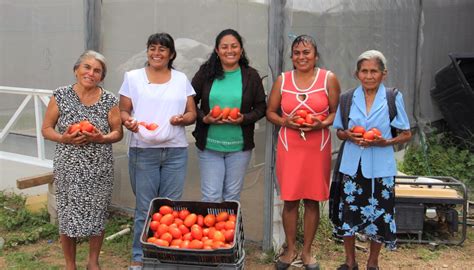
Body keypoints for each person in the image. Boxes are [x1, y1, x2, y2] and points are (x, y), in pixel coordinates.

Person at [119, 33, 196, 269]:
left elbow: (193, 112)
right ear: (147, 51)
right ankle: (139, 256)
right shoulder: (133, 78)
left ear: (171, 54)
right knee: (146, 207)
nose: (156, 53)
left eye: (162, 49)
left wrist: (182, 119)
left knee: (170, 206)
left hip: (175, 151)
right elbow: (123, 111)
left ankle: (166, 255)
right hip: (143, 151)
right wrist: (128, 121)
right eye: (152, 48)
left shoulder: (181, 79)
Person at [41, 50, 123, 270]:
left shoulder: (109, 99)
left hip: (99, 168)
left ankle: (93, 262)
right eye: (87, 67)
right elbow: (46, 129)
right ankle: (70, 265)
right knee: (67, 215)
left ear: (102, 77)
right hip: (68, 167)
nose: (91, 73)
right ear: (76, 70)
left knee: (97, 213)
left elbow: (118, 132)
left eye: (97, 70)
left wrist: (101, 137)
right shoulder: (60, 95)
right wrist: (64, 138)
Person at [332, 50, 412, 270]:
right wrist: (348, 135)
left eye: (373, 71)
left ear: (383, 74)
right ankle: (350, 261)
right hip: (352, 165)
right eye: (364, 71)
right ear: (356, 74)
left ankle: (373, 262)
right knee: (349, 212)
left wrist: (385, 142)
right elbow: (339, 130)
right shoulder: (347, 98)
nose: (369, 76)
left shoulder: (392, 97)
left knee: (380, 213)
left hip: (381, 167)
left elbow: (406, 133)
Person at [266, 35, 341, 270]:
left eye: (306, 52)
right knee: (289, 199)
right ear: (291, 57)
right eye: (297, 53)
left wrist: (320, 124)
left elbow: (335, 113)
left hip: (316, 146)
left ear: (315, 55)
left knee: (311, 200)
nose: (302, 57)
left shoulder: (328, 78)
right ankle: (290, 249)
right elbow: (271, 112)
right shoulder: (283, 80)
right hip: (290, 146)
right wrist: (285, 122)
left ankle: (307, 252)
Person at [192, 29, 266, 202]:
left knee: (232, 198)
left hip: (239, 149)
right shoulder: (206, 73)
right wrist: (204, 118)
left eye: (234, 46)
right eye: (224, 47)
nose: (229, 50)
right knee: (211, 197)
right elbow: (189, 101)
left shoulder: (251, 75)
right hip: (210, 147)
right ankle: (211, 230)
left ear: (241, 50)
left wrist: (244, 119)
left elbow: (261, 107)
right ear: (217, 50)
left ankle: (230, 230)